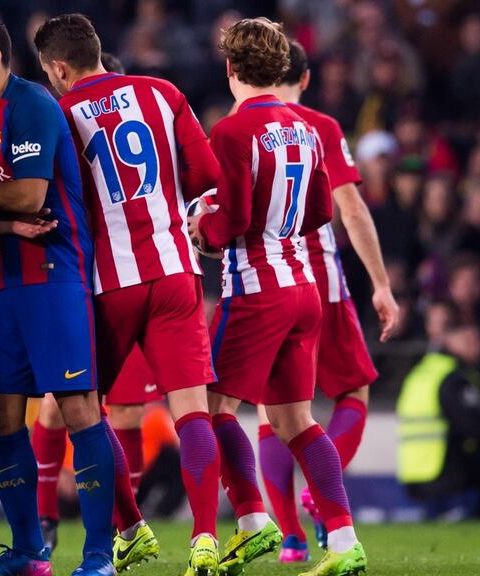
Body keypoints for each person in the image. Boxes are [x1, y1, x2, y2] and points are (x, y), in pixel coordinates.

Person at [36, 14, 224, 576]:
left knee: (86, 412)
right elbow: (207, 173)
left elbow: (52, 200)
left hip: (106, 283)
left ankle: (133, 527)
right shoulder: (163, 93)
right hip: (173, 272)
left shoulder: (62, 113)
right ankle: (206, 540)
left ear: (60, 68)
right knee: (191, 412)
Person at [187, 18, 366, 576]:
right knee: (296, 421)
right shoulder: (304, 129)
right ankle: (343, 542)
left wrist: (204, 229)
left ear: (230, 69)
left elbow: (234, 216)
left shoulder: (233, 131)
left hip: (257, 291)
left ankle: (252, 520)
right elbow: (321, 213)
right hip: (304, 287)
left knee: (211, 410)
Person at [0, 10, 116, 576]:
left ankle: (98, 556)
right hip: (6, 281)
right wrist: (0, 222)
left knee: (77, 407)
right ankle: (27, 552)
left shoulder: (34, 104)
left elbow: (29, 195)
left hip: (55, 275)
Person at [257, 39, 400, 562]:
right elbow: (353, 209)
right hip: (318, 273)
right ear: (306, 77)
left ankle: (290, 538)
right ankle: (322, 493)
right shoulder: (319, 126)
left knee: (275, 412)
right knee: (354, 390)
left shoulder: (236, 123)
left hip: (260, 280)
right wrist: (381, 284)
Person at [28, 50, 162, 566]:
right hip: (91, 277)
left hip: (124, 277)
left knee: (118, 408)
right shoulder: (72, 120)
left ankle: (122, 521)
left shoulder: (72, 116)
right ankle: (50, 517)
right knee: (62, 400)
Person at [398, 318, 480, 517]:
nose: (478, 347)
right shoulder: (452, 377)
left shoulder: (422, 371)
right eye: (470, 340)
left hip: (414, 472)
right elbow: (474, 428)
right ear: (451, 341)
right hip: (443, 472)